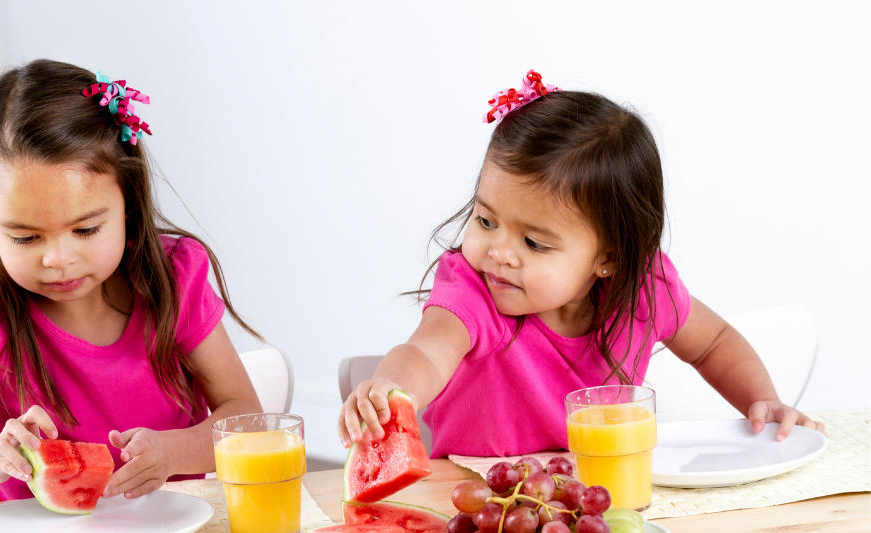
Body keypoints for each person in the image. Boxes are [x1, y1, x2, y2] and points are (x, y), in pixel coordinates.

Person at [337, 69, 825, 458]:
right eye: (486, 221)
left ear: (609, 258)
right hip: (481, 499)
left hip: (602, 491)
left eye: (534, 242)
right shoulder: (473, 291)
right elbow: (425, 352)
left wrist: (762, 399)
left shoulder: (642, 290)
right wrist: (392, 389)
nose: (498, 253)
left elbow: (713, 343)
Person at [0, 59, 263, 507]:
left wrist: (172, 451)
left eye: (85, 230)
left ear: (128, 204)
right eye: (24, 237)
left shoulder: (174, 282)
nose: (58, 260)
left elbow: (248, 418)